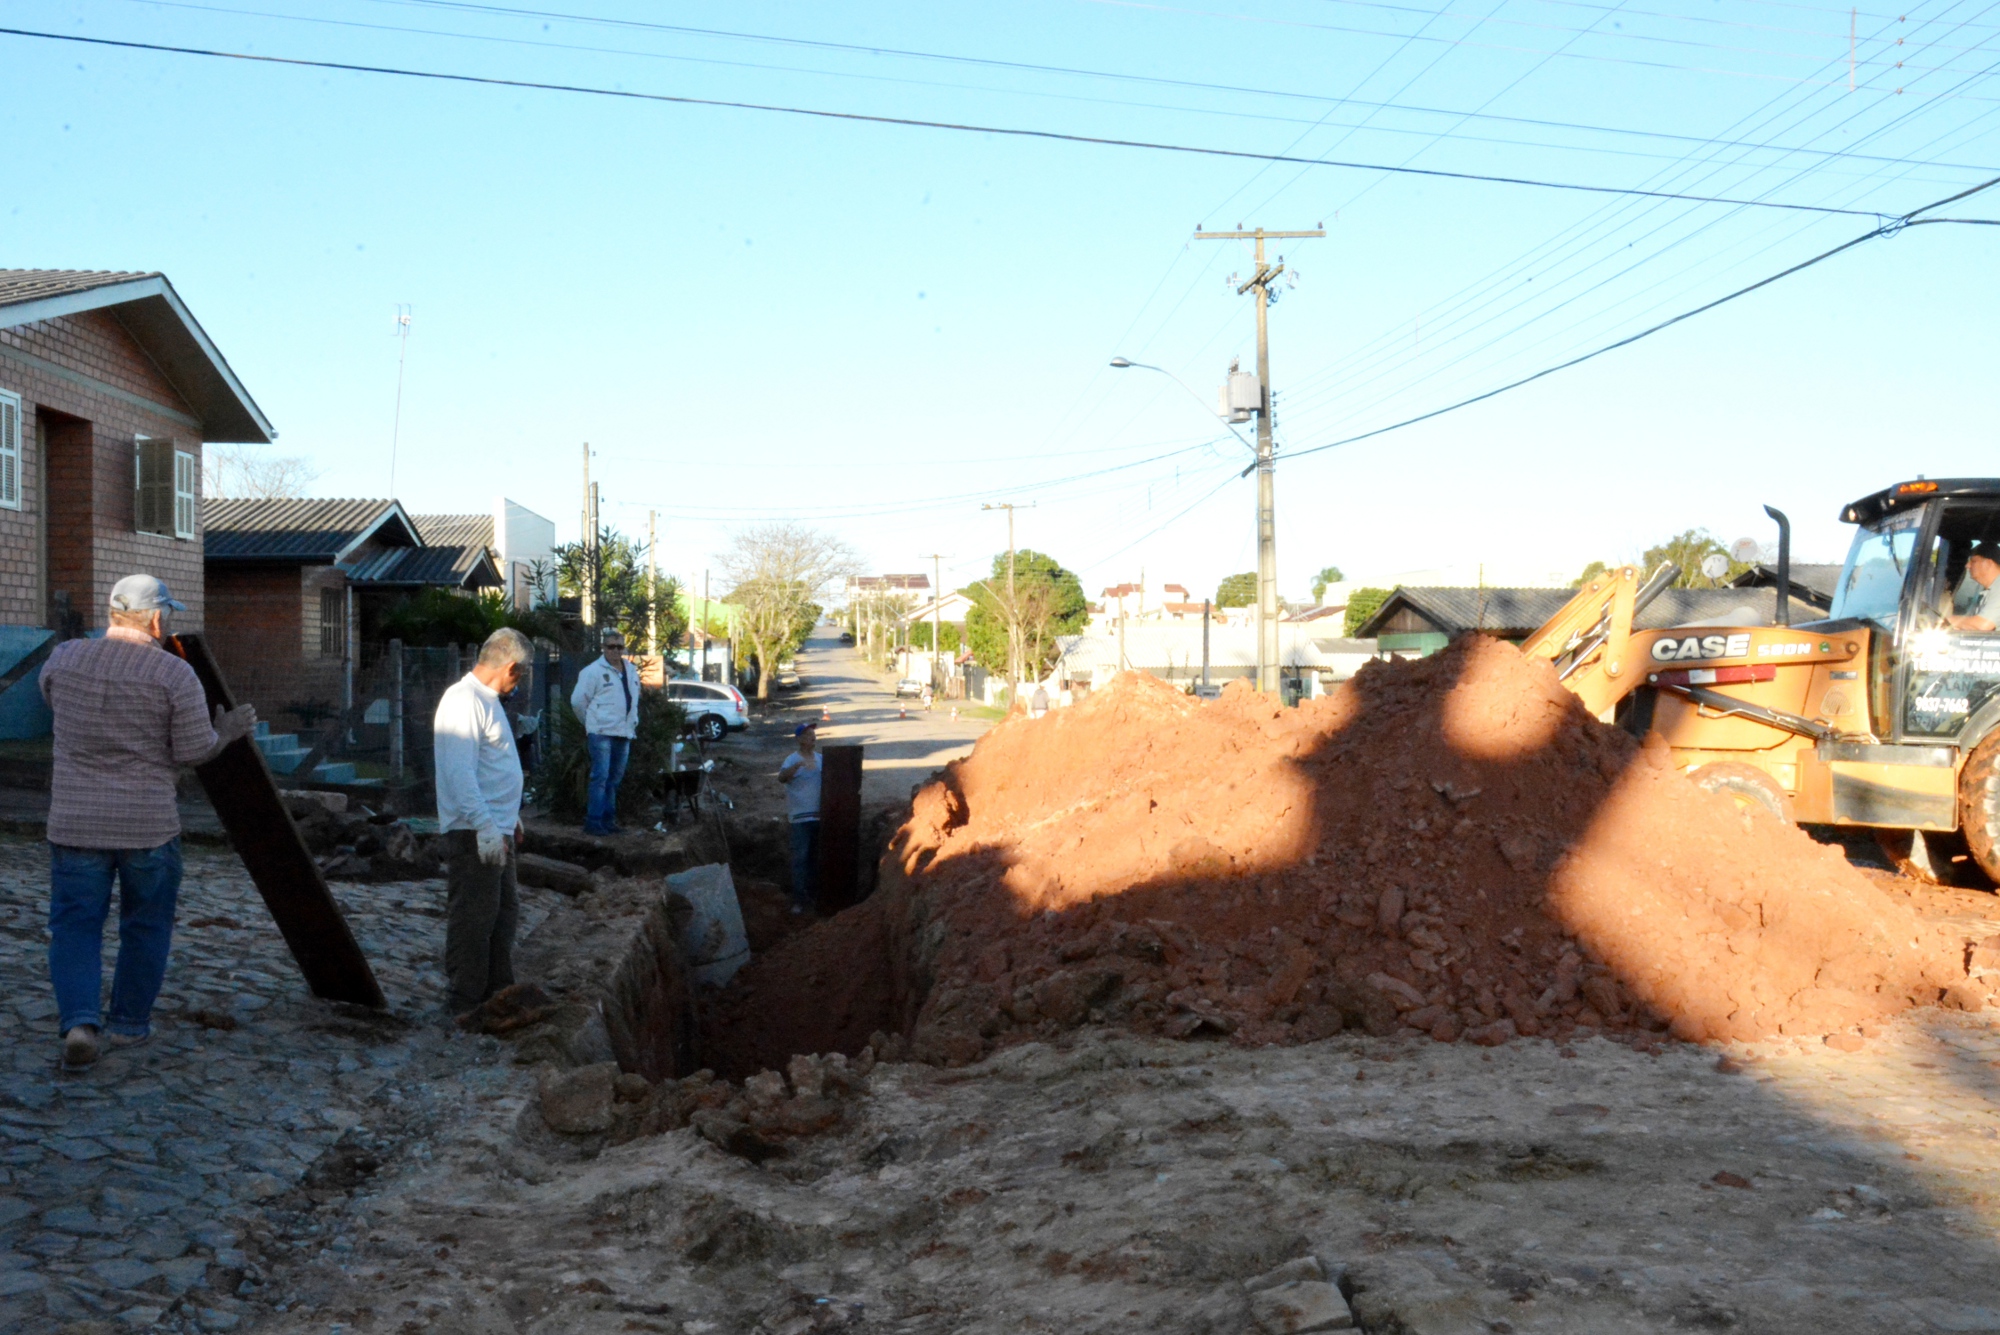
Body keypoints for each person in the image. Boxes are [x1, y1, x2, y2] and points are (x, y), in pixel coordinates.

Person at [40, 574, 257, 1073]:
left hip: (75, 823)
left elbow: (51, 701)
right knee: (146, 924)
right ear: (157, 618)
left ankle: (78, 1025)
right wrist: (225, 731)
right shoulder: (174, 676)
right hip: (147, 828)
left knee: (74, 927)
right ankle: (129, 1024)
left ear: (114, 612)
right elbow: (191, 751)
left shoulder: (64, 659)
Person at [435, 627, 533, 1016]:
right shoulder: (463, 701)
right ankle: (465, 1000)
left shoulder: (487, 701)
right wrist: (486, 826)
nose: (520, 681)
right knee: (474, 917)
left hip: (495, 828)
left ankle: (497, 991)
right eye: (521, 673)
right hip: (474, 832)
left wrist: (510, 816)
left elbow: (490, 767)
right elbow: (460, 774)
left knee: (504, 911)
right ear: (510, 667)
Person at [570, 628, 640, 836]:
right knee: (600, 777)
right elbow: (577, 701)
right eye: (611, 646)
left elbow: (634, 699)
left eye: (620, 647)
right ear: (603, 648)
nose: (616, 651)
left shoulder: (630, 670)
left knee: (614, 779)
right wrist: (590, 723)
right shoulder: (592, 671)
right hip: (601, 732)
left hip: (624, 732)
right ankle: (593, 822)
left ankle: (609, 821)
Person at [777, 721, 821, 914]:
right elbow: (781, 778)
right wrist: (795, 768)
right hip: (800, 819)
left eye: (813, 734)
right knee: (800, 859)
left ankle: (813, 895)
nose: (813, 737)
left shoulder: (821, 759)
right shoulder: (791, 759)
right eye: (808, 734)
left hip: (819, 817)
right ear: (800, 740)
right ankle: (799, 899)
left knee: (815, 858)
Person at [1948, 542, 2000, 631]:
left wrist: (1945, 620)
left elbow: (1983, 625)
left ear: (1988, 563)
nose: (1967, 565)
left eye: (1973, 561)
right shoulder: (1988, 591)